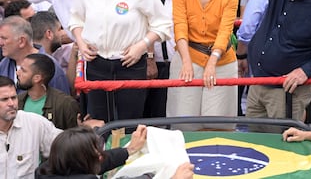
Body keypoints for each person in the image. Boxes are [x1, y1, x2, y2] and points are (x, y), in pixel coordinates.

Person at [68, 0, 171, 122]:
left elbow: (163, 24)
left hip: (129, 65)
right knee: (98, 122)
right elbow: (76, 20)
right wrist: (81, 43)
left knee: (128, 123)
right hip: (96, 64)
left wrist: (141, 46)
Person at [166, 0, 239, 131]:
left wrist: (213, 61)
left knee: (218, 122)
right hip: (188, 54)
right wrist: (186, 61)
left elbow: (226, 30)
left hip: (222, 60)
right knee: (184, 121)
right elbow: (180, 26)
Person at [35, 125, 195, 179]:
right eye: (95, 153)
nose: (100, 155)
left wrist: (129, 150)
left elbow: (99, 161)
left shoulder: (48, 169)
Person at [146, 0, 192, 118]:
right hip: (158, 67)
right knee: (157, 119)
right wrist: (149, 59)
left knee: (185, 119)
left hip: (190, 69)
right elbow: (144, 24)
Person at [0, 75, 62, 179]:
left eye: (14, 97)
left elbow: (66, 149)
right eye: (4, 99)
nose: (12, 104)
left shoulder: (34, 123)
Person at [0, 16, 71, 95]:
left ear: (21, 41)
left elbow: (62, 103)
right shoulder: (3, 65)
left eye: (4, 38)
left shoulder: (50, 66)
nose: (1, 43)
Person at [17, 53, 79, 129]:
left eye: (23, 71)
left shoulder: (65, 104)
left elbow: (75, 137)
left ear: (37, 78)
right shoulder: (17, 101)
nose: (18, 73)